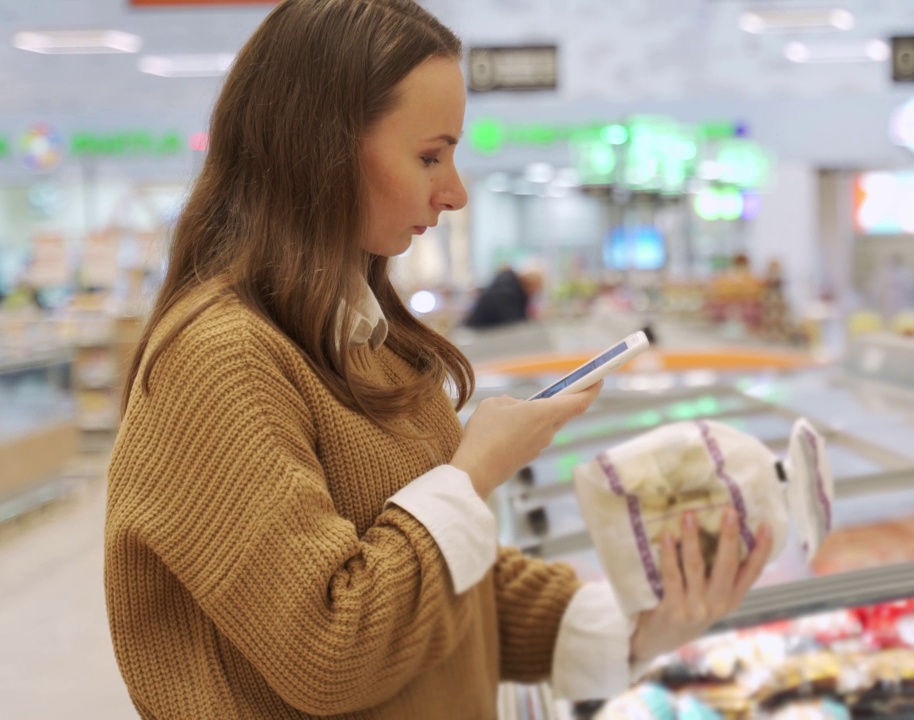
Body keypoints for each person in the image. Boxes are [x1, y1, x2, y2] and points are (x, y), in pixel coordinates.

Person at [104, 2, 773, 718]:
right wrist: (473, 470)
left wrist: (636, 622)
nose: (453, 192)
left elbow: (448, 589)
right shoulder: (220, 361)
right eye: (429, 156)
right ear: (318, 150)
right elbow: (335, 648)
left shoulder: (370, 343)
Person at [463, 261, 544, 329]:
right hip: (478, 336)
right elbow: (513, 324)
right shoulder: (507, 293)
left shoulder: (509, 288)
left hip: (483, 333)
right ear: (531, 284)